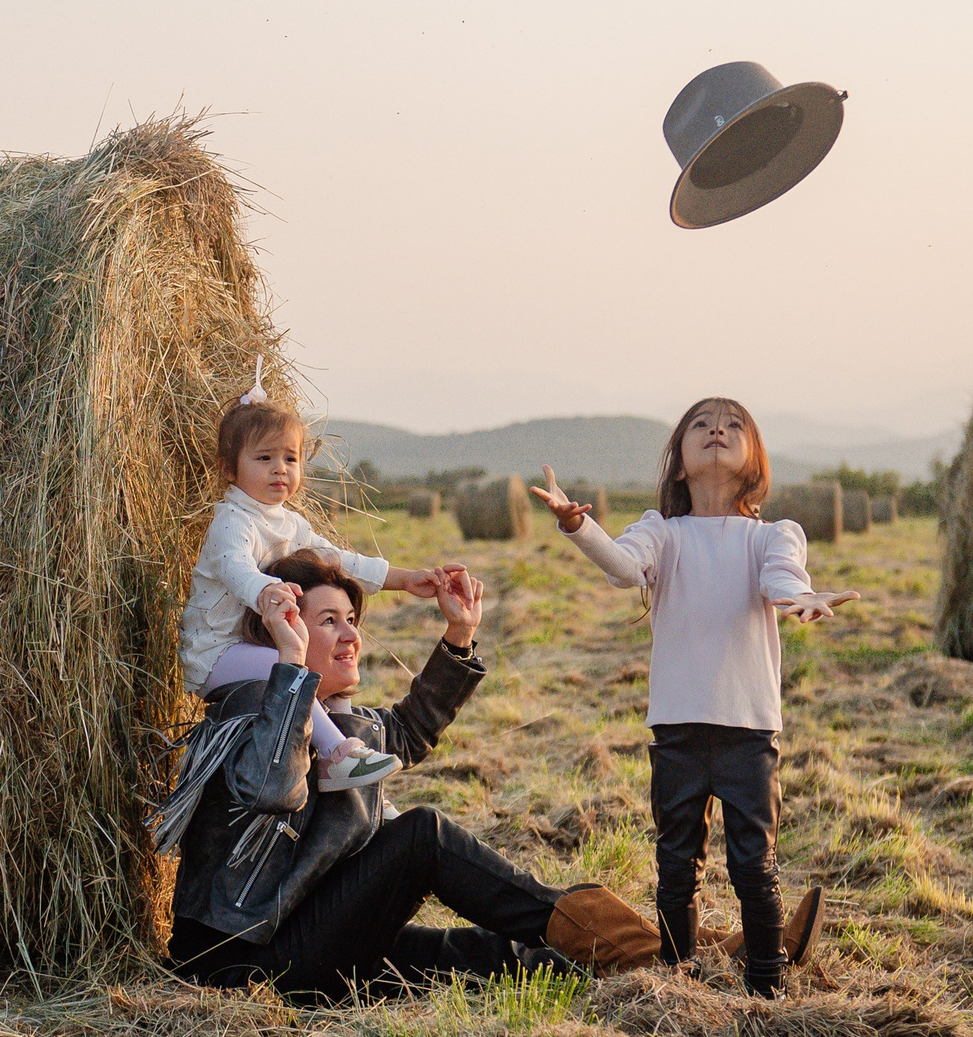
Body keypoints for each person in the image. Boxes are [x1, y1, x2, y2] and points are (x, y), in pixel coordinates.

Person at [167, 547, 825, 999]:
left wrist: (457, 639)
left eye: (352, 619)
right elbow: (269, 789)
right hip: (240, 960)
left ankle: (711, 951)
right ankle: (673, 946)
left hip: (302, 935)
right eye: (327, 620)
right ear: (283, 628)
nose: (350, 634)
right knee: (422, 836)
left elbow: (402, 733)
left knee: (487, 957)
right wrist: (287, 665)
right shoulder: (260, 704)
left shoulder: (328, 718)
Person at [533, 397, 855, 999]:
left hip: (748, 731)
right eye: (701, 426)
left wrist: (802, 600)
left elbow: (782, 576)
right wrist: (578, 526)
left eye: (733, 426)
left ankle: (767, 984)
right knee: (676, 867)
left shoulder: (771, 537)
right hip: (677, 730)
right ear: (679, 462)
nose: (716, 431)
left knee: (753, 867)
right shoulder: (662, 532)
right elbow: (625, 569)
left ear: (754, 461)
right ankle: (677, 983)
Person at [177, 358, 461, 792]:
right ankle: (337, 754)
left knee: (325, 674)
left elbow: (338, 560)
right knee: (287, 666)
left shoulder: (288, 523)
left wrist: (403, 578)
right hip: (216, 652)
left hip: (250, 641)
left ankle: (350, 772)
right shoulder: (233, 519)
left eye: (290, 458)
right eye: (265, 458)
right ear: (228, 469)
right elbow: (235, 568)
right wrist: (267, 589)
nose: (280, 468)